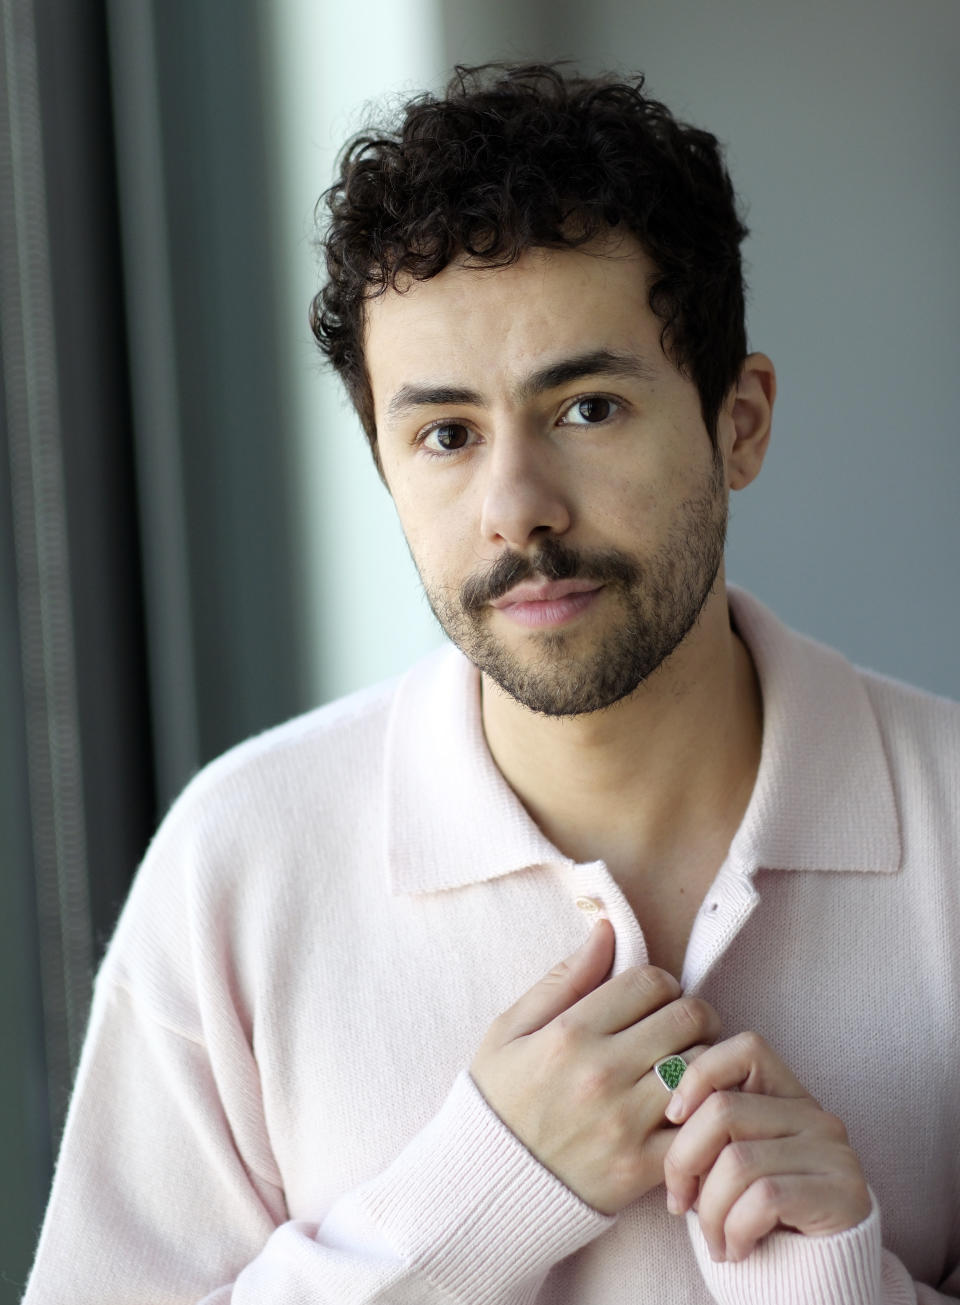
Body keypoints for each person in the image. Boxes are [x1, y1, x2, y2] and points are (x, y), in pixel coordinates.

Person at [22, 63, 960, 1304]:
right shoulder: (236, 866)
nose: (516, 510)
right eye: (447, 435)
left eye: (585, 407)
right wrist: (468, 1207)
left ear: (739, 422)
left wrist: (843, 1285)